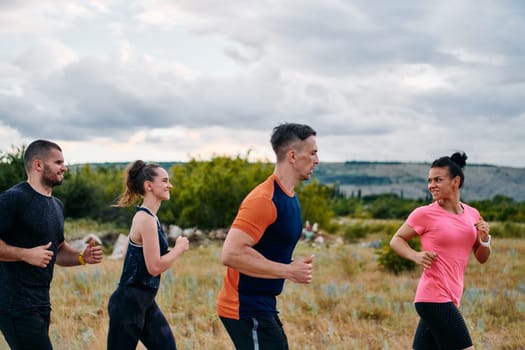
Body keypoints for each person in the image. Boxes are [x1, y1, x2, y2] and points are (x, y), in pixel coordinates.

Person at [217, 122, 319, 350]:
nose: (317, 160)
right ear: (293, 156)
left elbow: (265, 249)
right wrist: (288, 271)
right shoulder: (263, 199)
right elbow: (231, 253)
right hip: (243, 306)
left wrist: (289, 264)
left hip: (262, 304)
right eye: (312, 153)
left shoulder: (288, 196)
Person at [0, 139, 103, 350]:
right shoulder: (13, 199)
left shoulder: (56, 205)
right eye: (58, 162)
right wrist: (25, 254)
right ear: (38, 165)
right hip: (14, 304)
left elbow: (58, 250)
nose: (64, 167)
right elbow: (29, 253)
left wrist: (82, 257)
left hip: (41, 303)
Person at [389, 152, 491, 350]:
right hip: (433, 297)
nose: (431, 185)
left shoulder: (473, 214)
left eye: (438, 180)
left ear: (456, 181)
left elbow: (482, 257)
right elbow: (397, 239)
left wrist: (485, 240)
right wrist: (415, 256)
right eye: (429, 180)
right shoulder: (424, 213)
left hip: (452, 296)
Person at [107, 160, 189, 350]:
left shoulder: (148, 217)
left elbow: (128, 253)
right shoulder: (146, 219)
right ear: (149, 185)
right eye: (165, 180)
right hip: (128, 304)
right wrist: (178, 249)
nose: (170, 185)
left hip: (144, 302)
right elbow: (154, 267)